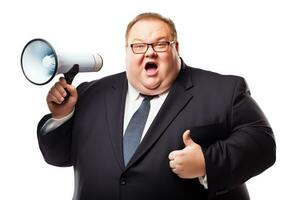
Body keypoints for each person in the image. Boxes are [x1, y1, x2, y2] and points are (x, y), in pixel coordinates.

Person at [37, 12, 276, 200]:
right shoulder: (90, 93)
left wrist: (207, 163)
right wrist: (63, 116)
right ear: (127, 51)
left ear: (176, 48)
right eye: (138, 45)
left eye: (160, 44)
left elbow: (263, 143)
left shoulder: (224, 90)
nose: (149, 52)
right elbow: (58, 157)